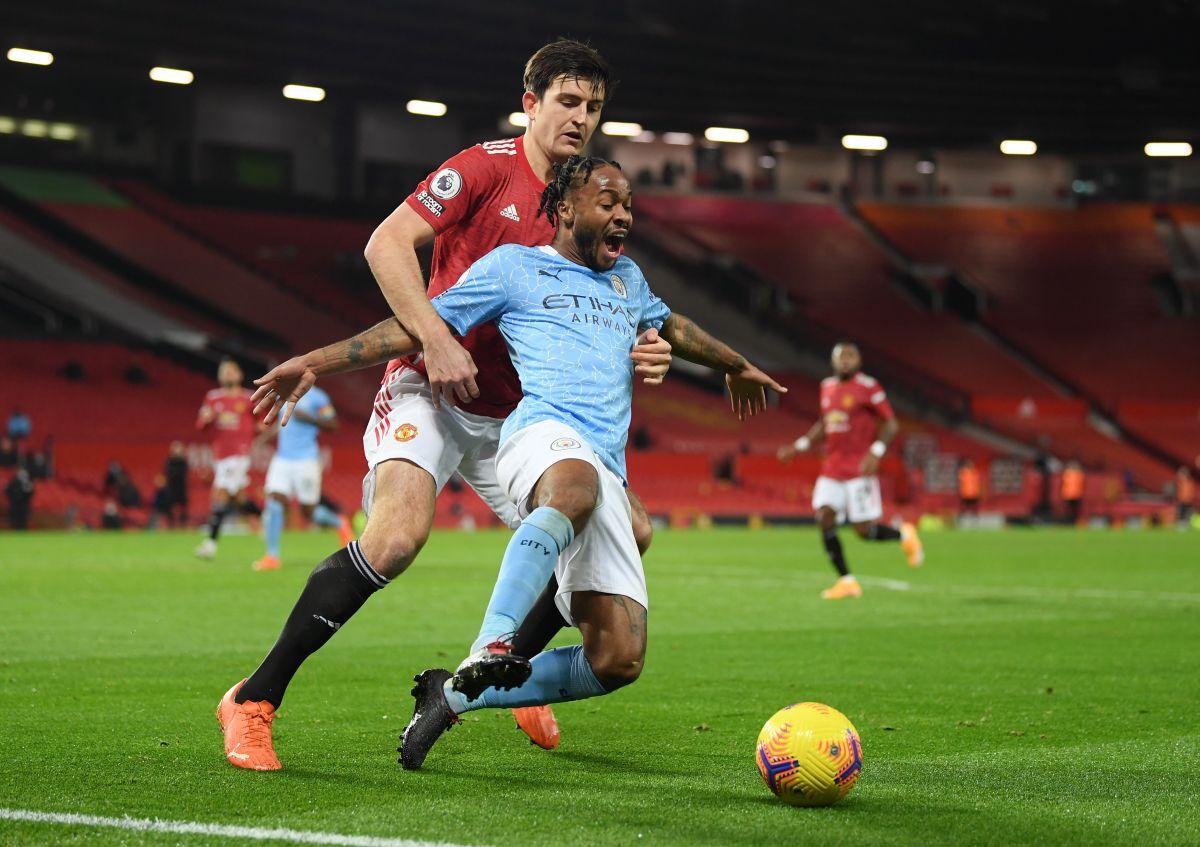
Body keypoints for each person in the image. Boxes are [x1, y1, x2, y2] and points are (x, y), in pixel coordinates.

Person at [215, 40, 781, 771]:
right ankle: (254, 698)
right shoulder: (484, 168)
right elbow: (387, 243)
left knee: (625, 530)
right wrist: (433, 339)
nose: (581, 117)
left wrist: (652, 350)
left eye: (594, 107)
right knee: (394, 538)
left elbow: (625, 316)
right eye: (568, 102)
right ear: (531, 103)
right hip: (431, 385)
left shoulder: (583, 207)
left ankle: (502, 667)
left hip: (520, 417)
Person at [777, 343, 922, 600]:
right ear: (833, 361)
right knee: (824, 517)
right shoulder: (827, 387)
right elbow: (825, 423)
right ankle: (847, 581)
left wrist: (876, 451)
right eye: (841, 356)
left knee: (864, 531)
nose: (846, 361)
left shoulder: (868, 386)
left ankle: (903, 534)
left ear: (859, 361)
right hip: (832, 468)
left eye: (851, 356)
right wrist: (799, 446)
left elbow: (891, 423)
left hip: (858, 469)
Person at [253, 386, 354, 572]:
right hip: (282, 459)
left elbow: (333, 425)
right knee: (275, 501)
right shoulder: (284, 394)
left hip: (306, 460)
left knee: (308, 512)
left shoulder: (319, 397)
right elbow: (283, 424)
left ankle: (340, 523)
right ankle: (271, 556)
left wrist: (309, 418)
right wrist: (263, 439)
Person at [195, 359, 263, 559]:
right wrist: (205, 420)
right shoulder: (212, 398)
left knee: (220, 494)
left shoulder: (249, 398)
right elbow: (200, 425)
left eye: (232, 371)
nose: (228, 374)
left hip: (239, 454)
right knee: (238, 498)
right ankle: (264, 517)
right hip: (220, 455)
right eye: (224, 371)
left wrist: (258, 431)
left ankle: (210, 545)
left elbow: (261, 423)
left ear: (239, 375)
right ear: (219, 376)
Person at [164, 441, 189, 525]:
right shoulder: (169, 461)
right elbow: (167, 472)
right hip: (172, 487)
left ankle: (183, 523)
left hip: (181, 486)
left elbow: (184, 472)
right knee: (170, 505)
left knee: (183, 505)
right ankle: (170, 523)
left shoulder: (183, 461)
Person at [1061, 460, 1085, 525]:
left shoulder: (1068, 474)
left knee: (1073, 510)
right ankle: (1069, 521)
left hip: (1073, 494)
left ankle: (1072, 521)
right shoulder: (1074, 474)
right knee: (1070, 510)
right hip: (1070, 494)